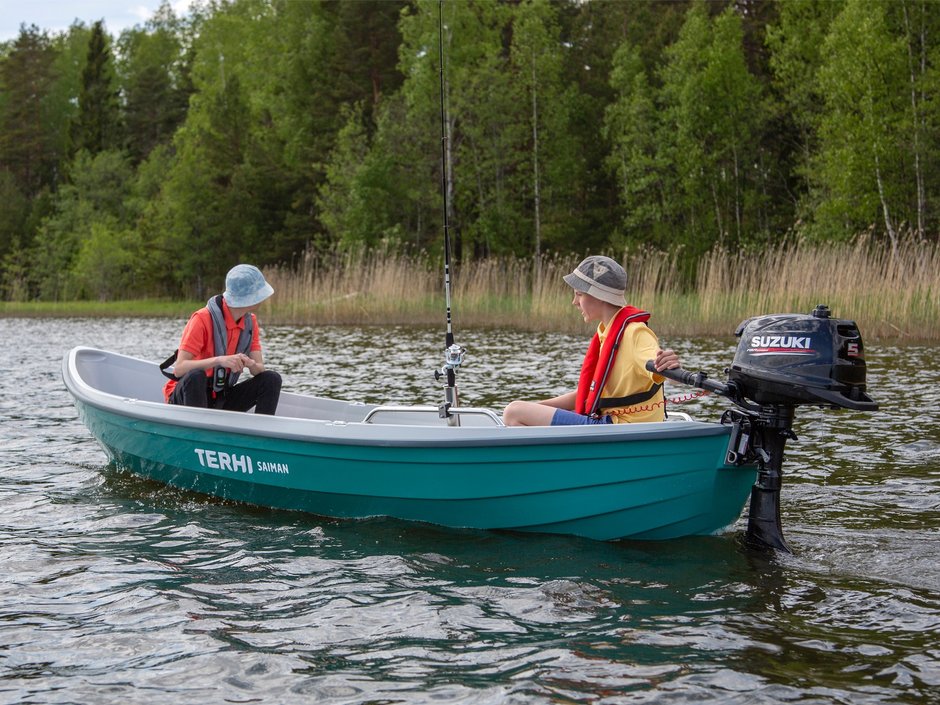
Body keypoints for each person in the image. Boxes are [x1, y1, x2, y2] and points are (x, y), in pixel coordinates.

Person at [503, 255, 680, 426]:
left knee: (513, 412)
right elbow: (587, 395)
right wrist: (537, 408)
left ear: (599, 295)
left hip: (620, 427)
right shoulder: (608, 331)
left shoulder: (635, 333)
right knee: (520, 410)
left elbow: (662, 369)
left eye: (579, 294)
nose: (575, 302)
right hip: (609, 423)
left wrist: (670, 368)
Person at [162, 264, 282, 415]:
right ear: (247, 299)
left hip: (220, 397)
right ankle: (198, 434)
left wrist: (251, 364)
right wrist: (219, 360)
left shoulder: (251, 322)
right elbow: (179, 369)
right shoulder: (201, 319)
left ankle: (262, 435)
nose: (263, 297)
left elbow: (259, 370)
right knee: (196, 375)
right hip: (187, 395)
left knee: (271, 379)